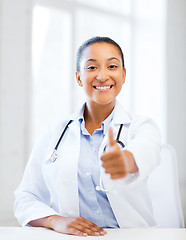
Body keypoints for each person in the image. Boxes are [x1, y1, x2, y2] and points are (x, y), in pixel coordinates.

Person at [14, 36, 161, 236]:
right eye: (92, 68)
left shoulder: (141, 126)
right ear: (78, 77)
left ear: (123, 75)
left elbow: (146, 151)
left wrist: (125, 161)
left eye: (112, 66)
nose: (102, 76)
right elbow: (25, 196)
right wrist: (55, 220)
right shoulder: (55, 134)